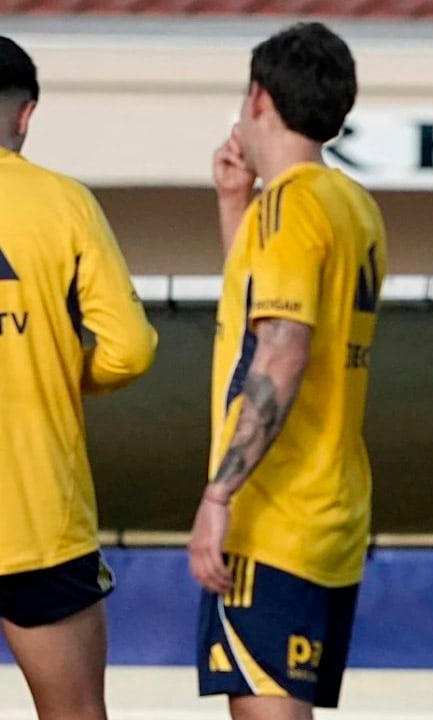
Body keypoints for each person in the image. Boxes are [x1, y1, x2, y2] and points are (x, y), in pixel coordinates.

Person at [186, 22, 387, 720]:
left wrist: (219, 495)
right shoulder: (351, 205)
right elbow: (265, 303)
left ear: (259, 97)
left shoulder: (290, 205)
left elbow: (281, 351)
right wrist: (234, 205)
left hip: (273, 516)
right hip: (333, 510)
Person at [0, 36, 157, 720]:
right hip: (39, 520)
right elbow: (128, 348)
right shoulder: (64, 203)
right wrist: (58, 369)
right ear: (26, 114)